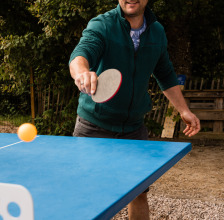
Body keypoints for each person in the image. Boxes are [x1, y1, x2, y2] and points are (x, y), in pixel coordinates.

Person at [69, 0, 200, 219]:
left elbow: (165, 73)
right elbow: (81, 54)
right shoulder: (102, 25)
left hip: (133, 128)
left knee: (138, 193)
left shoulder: (156, 32)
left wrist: (183, 110)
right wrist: (82, 72)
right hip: (93, 126)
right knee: (88, 195)